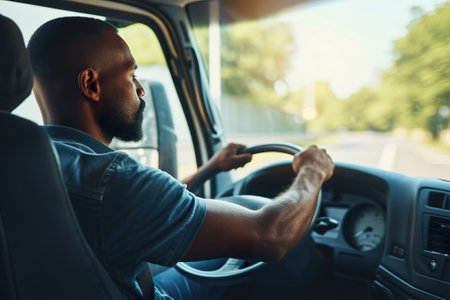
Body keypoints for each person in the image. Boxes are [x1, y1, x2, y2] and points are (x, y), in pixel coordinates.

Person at [27, 17, 334, 300]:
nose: (140, 90)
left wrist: (209, 169)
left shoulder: (25, 162)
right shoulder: (113, 179)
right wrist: (312, 171)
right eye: (131, 74)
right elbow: (271, 236)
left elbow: (148, 205)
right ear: (91, 85)